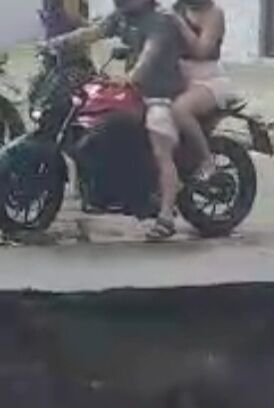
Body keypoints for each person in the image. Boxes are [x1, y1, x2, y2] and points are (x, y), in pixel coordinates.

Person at [47, 0, 187, 241]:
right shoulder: (123, 16)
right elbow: (93, 32)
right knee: (98, 125)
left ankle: (165, 215)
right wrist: (56, 43)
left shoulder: (161, 20)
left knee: (158, 145)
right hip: (135, 93)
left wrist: (131, 76)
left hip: (160, 95)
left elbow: (150, 52)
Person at [170, 0, 229, 180]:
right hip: (177, 77)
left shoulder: (214, 14)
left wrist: (179, 24)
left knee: (180, 109)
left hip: (207, 80)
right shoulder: (177, 9)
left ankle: (206, 159)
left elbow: (202, 51)